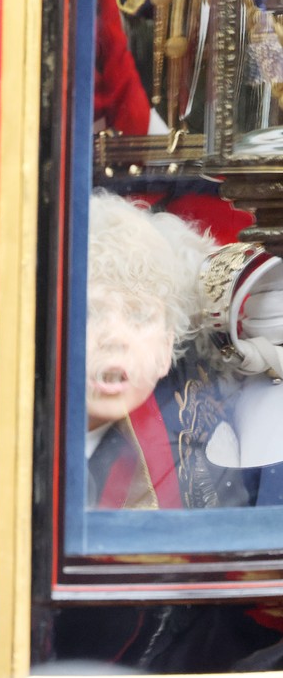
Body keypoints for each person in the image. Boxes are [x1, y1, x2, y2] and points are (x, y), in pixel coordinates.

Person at [84, 191, 251, 508]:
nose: (115, 337)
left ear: (165, 348)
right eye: (91, 312)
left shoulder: (201, 460)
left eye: (139, 316)